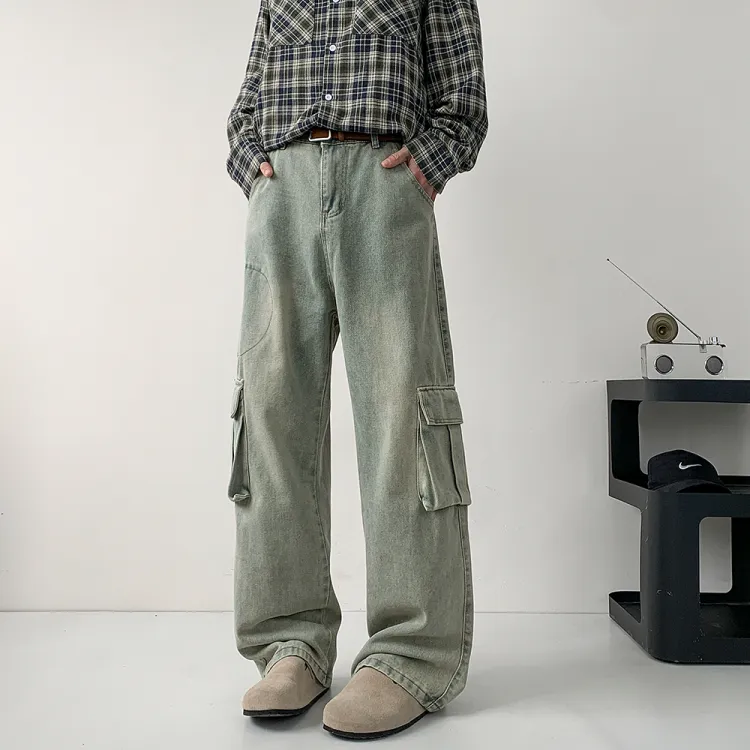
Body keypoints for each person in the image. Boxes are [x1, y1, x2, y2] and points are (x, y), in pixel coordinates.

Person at [225, 0, 488, 740]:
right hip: (282, 190)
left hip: (384, 184)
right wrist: (254, 166)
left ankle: (411, 655)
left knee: (402, 414)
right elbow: (247, 99)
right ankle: (289, 644)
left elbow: (464, 100)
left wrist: (423, 169)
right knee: (271, 413)